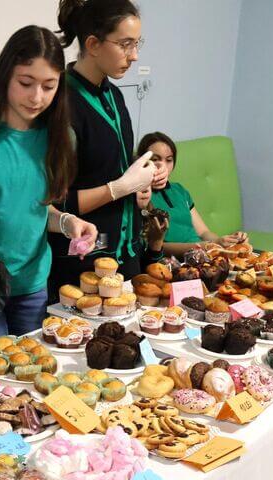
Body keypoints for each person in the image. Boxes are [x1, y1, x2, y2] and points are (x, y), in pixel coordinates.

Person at [0, 25, 97, 348]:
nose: (36, 97)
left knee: (35, 373)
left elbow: (36, 208)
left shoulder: (61, 138)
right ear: (5, 75)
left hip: (33, 285)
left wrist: (68, 222)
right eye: (25, 83)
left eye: (49, 86)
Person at [49, 0, 162, 298]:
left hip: (126, 253)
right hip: (83, 259)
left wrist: (141, 184)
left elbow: (109, 164)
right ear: (93, 44)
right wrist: (119, 188)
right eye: (125, 45)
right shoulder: (62, 103)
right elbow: (57, 202)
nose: (134, 56)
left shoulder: (114, 95)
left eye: (137, 44)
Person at [136, 131, 247, 256]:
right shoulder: (141, 196)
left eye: (169, 160)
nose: (163, 166)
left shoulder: (179, 190)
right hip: (174, 260)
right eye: (155, 159)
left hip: (202, 255)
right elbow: (155, 247)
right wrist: (203, 247)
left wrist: (222, 241)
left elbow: (203, 232)